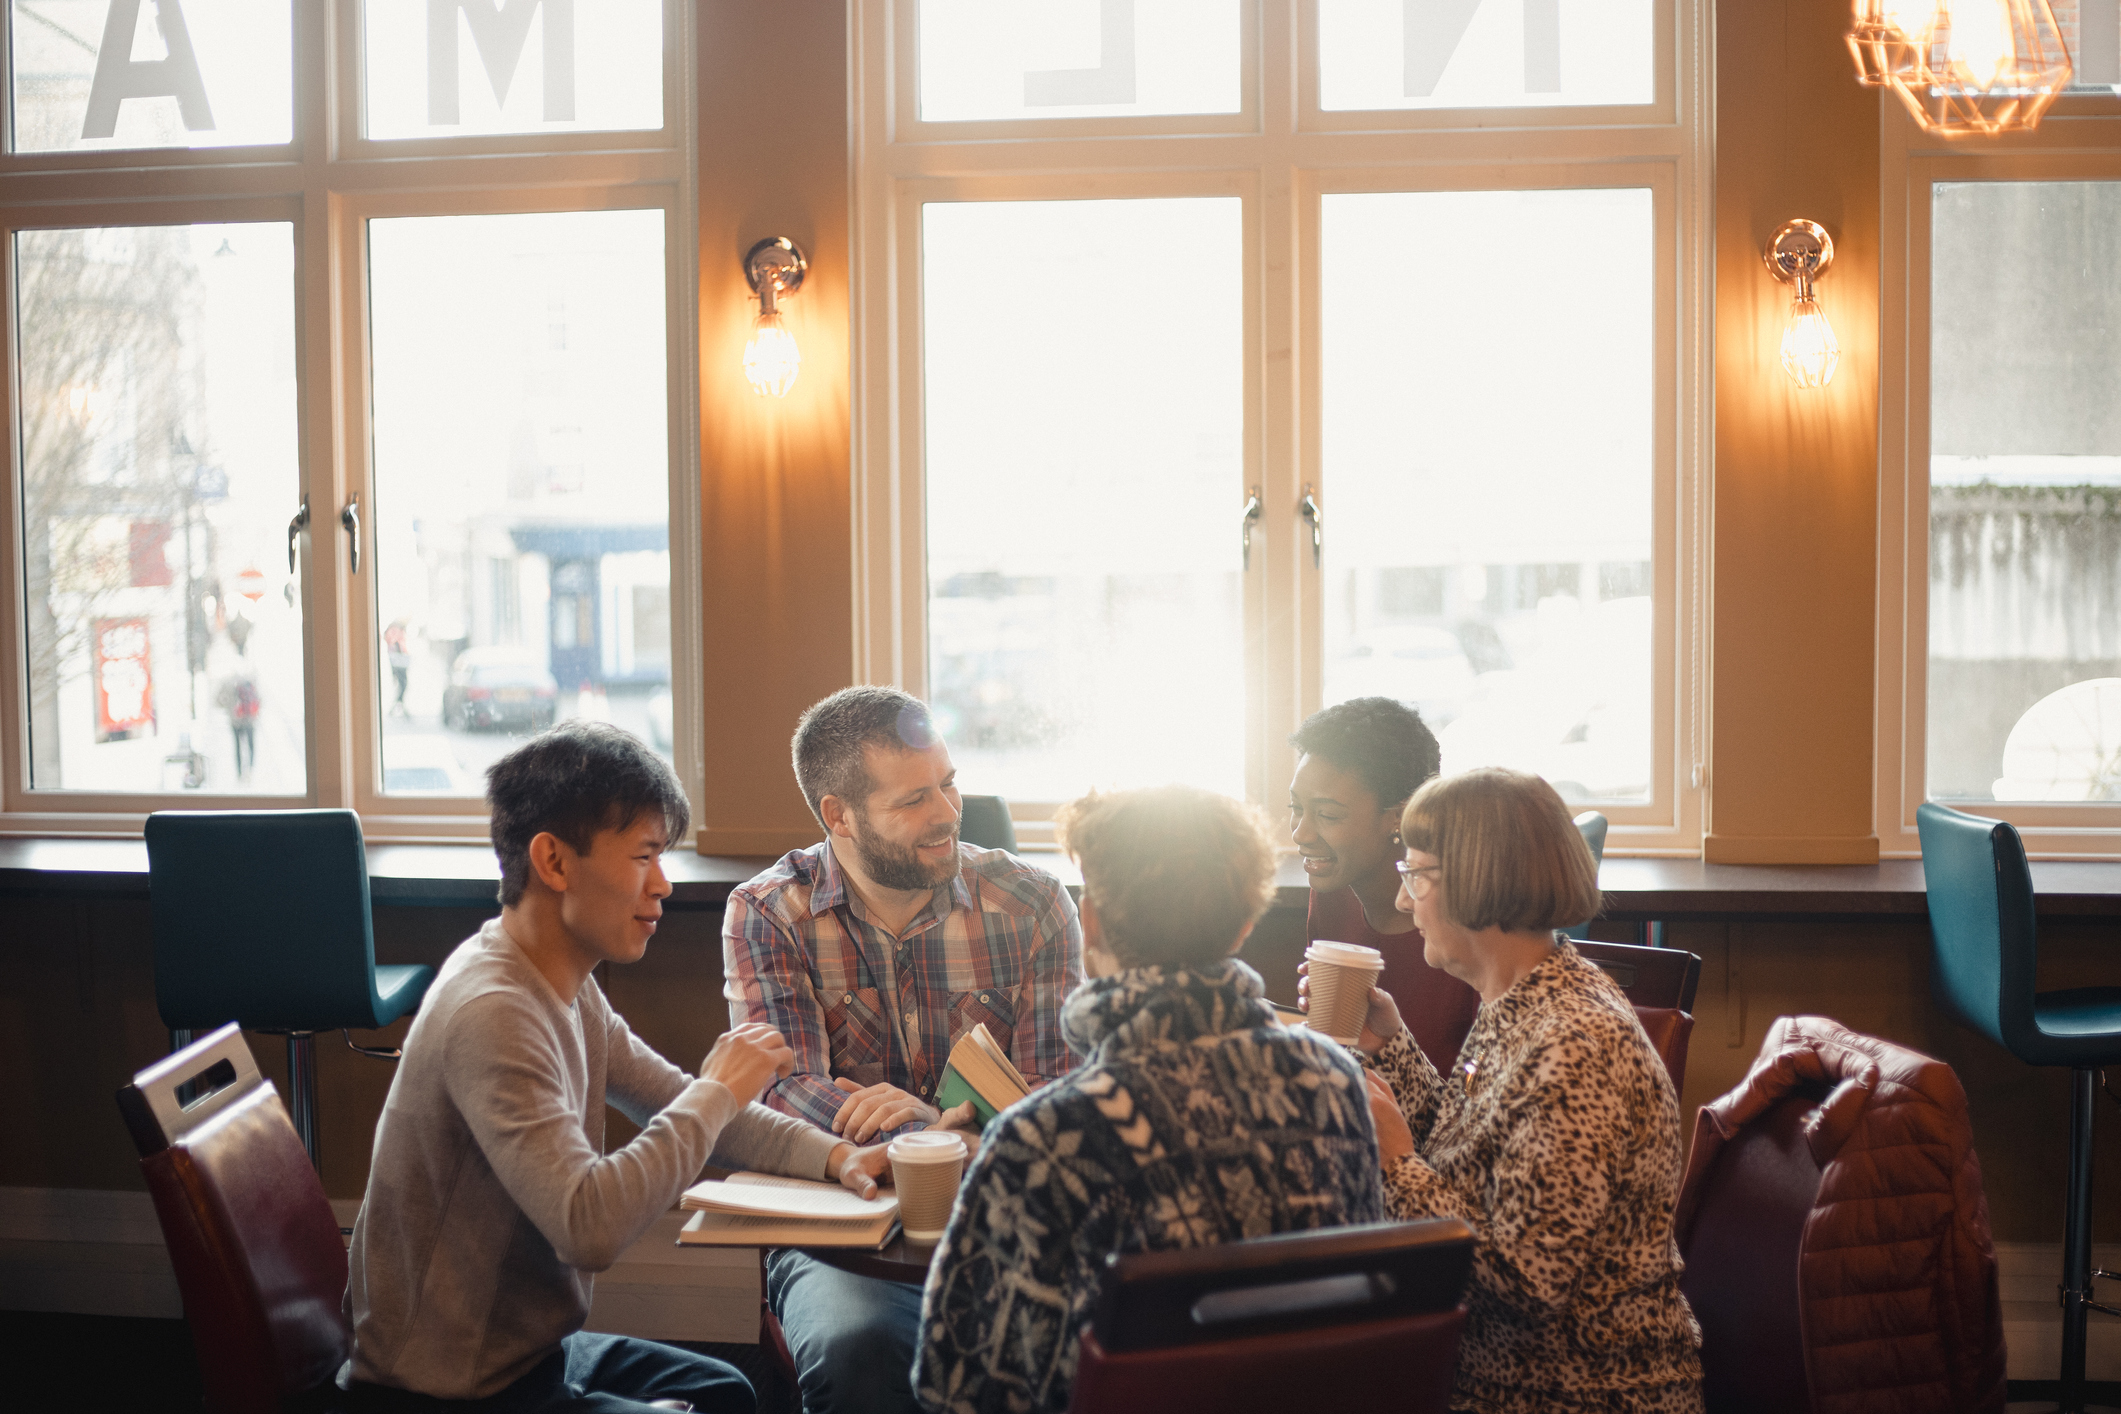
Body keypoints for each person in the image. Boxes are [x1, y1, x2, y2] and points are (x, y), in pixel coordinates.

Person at [343, 721, 891, 1414]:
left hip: (528, 1357)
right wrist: (718, 1091)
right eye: (643, 856)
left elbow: (677, 1102)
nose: (661, 885)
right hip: (438, 1389)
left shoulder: (562, 982)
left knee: (726, 1391)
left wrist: (840, 1156)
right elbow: (588, 1226)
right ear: (554, 861)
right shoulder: (493, 1011)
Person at [914, 785, 1387, 1414]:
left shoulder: (1049, 1135)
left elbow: (954, 1388)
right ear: (1245, 925)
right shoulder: (1333, 1079)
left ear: (1094, 926)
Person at [722, 686, 1083, 1414]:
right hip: (841, 1228)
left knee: (1068, 1347)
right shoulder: (766, 912)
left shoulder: (1035, 903)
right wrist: (937, 1132)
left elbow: (1056, 1097)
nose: (947, 814)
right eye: (913, 800)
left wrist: (924, 1123)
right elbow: (777, 1092)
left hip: (1007, 1212)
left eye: (948, 785)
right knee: (858, 1348)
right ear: (838, 816)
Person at [1357, 768, 1702, 1413]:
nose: (1404, 902)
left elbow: (1525, 1288)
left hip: (1571, 1393)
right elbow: (1471, 1150)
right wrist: (1393, 1045)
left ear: (1476, 880)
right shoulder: (1522, 997)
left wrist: (1398, 1168)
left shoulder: (1577, 1044)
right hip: (1499, 1378)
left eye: (1417, 877)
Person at [1289, 697, 1478, 1071]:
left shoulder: (1466, 919)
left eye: (1327, 814)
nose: (1300, 833)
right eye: (1296, 807)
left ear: (1399, 816)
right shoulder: (1332, 891)